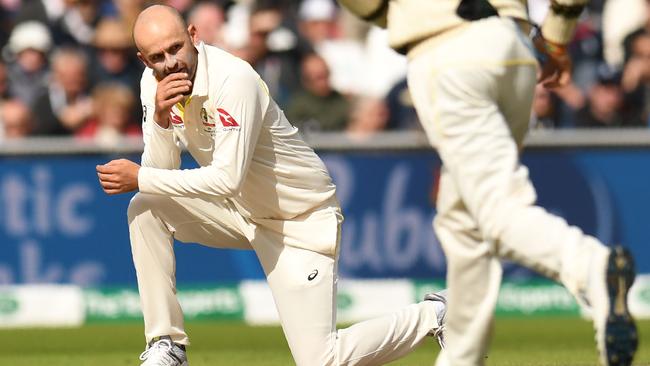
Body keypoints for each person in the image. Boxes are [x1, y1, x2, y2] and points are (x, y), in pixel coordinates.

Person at [96, 5, 447, 366]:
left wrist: (139, 175)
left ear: (193, 35)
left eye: (175, 48)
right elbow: (162, 173)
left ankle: (435, 315)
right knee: (145, 205)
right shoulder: (152, 85)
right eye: (157, 57)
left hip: (299, 219)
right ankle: (167, 344)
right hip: (240, 212)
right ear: (143, 59)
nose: (170, 63)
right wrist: (160, 120)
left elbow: (226, 179)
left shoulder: (233, 79)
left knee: (321, 360)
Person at [337, 1, 638, 365]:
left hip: (447, 47)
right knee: (463, 223)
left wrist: (397, 14)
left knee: (496, 208)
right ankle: (462, 358)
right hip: (513, 47)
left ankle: (591, 268)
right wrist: (557, 38)